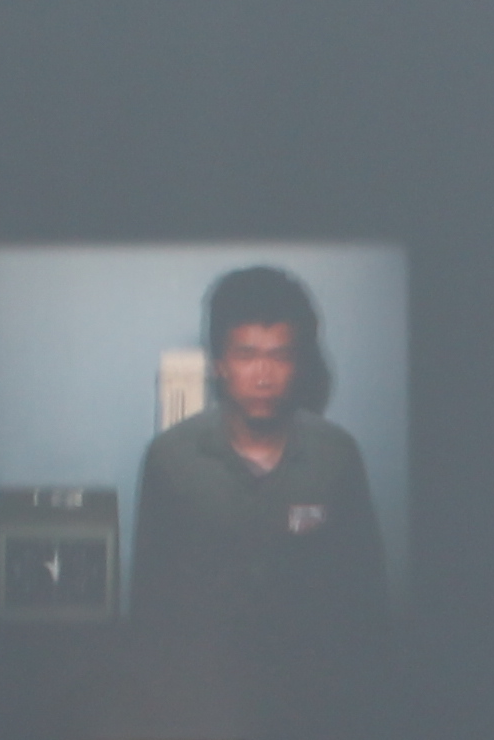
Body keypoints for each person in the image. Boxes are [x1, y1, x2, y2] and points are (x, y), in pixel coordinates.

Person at [129, 263, 391, 622]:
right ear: (219, 364)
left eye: (280, 357)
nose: (263, 377)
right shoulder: (171, 461)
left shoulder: (335, 457)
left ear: (299, 364)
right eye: (246, 356)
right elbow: (149, 603)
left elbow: (369, 597)